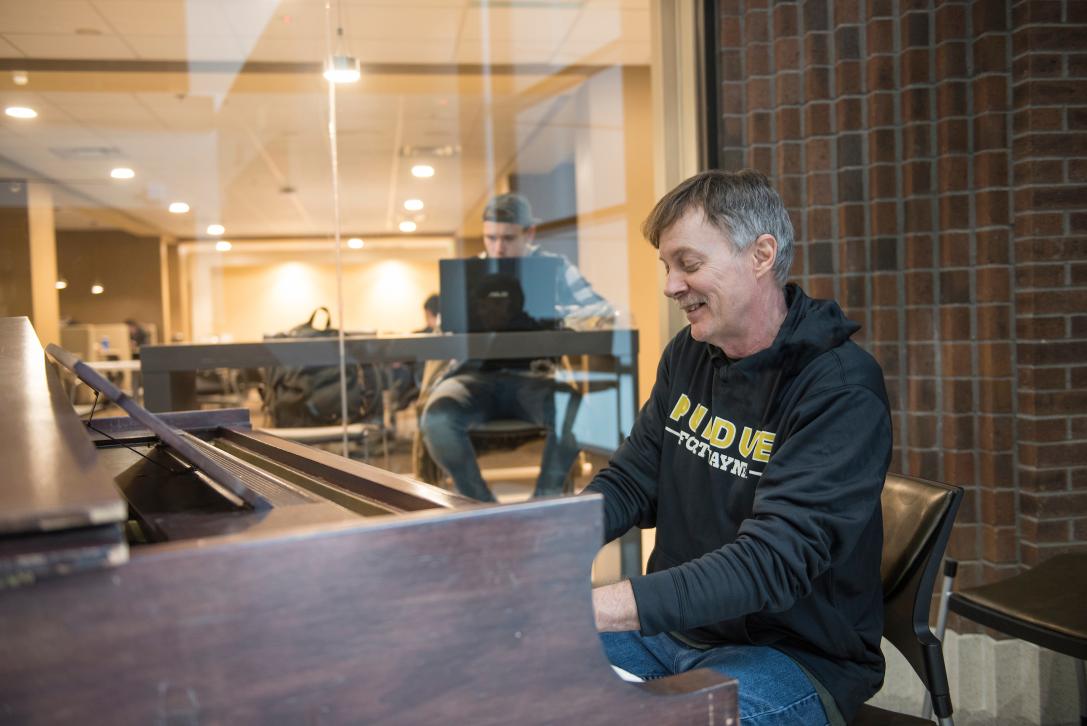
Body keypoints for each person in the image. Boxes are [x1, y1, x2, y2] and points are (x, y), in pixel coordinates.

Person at [586, 170, 891, 725]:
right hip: (674, 635)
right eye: (667, 267)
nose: (671, 285)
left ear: (761, 254)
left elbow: (770, 562)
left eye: (689, 263)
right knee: (515, 674)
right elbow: (632, 481)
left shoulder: (840, 388)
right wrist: (541, 545)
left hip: (790, 656)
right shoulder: (688, 354)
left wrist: (605, 605)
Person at [419, 193, 612, 502]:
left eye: (508, 238)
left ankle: (542, 504)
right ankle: (483, 507)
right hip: (471, 378)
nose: (498, 248)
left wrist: (554, 313)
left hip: (535, 378)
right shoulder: (468, 274)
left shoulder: (554, 269)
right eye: (490, 238)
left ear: (529, 233)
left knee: (575, 412)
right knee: (437, 420)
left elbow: (602, 312)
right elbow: (444, 332)